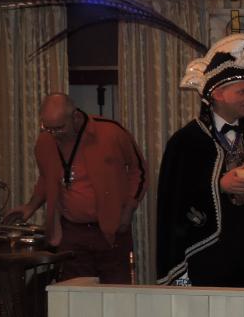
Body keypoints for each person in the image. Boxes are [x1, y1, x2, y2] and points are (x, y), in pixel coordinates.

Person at [156, 34, 244, 287]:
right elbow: (173, 205)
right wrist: (219, 186)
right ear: (218, 93)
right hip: (205, 258)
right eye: (242, 91)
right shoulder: (185, 142)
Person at [15, 93, 146, 284]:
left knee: (115, 293)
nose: (53, 134)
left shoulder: (110, 131)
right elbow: (46, 178)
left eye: (59, 128)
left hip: (111, 231)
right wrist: (30, 206)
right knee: (75, 293)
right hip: (71, 232)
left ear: (75, 117)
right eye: (47, 128)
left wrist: (128, 209)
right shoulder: (45, 141)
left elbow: (139, 170)